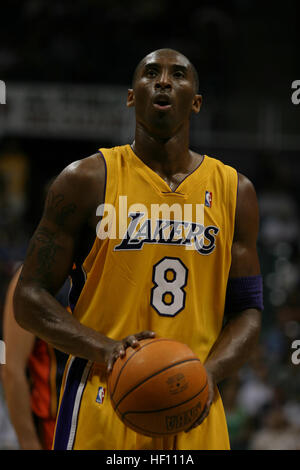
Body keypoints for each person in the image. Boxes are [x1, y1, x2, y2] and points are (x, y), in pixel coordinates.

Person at [13, 48, 263, 450]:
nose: (163, 81)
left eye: (178, 75)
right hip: (104, 399)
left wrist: (208, 375)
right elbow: (27, 299)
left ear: (195, 103)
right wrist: (109, 350)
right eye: (151, 73)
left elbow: (247, 311)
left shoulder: (237, 192)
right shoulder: (86, 180)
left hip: (194, 405)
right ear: (132, 95)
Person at [2, 265, 68, 449]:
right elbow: (11, 369)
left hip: (106, 420)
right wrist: (29, 442)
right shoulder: (33, 278)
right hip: (53, 427)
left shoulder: (107, 272)